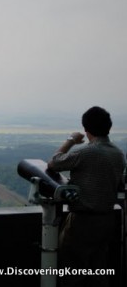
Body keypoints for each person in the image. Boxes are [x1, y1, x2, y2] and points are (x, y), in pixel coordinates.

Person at [47, 106, 126, 287]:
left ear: (86, 129)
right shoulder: (118, 153)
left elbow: (54, 163)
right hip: (107, 219)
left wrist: (71, 140)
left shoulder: (87, 152)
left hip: (83, 220)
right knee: (99, 270)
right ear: (109, 127)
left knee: (72, 271)